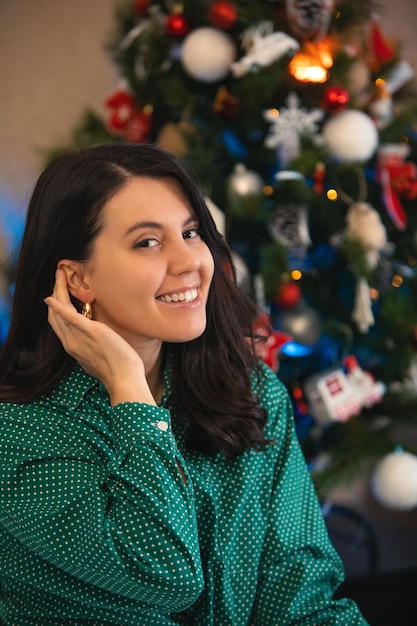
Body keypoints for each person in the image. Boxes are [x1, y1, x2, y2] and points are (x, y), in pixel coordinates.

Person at [0, 143, 368, 625]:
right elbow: (165, 576)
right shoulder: (20, 429)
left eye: (191, 232)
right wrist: (129, 389)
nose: (189, 261)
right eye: (147, 242)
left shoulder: (252, 393)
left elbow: (302, 598)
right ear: (78, 280)